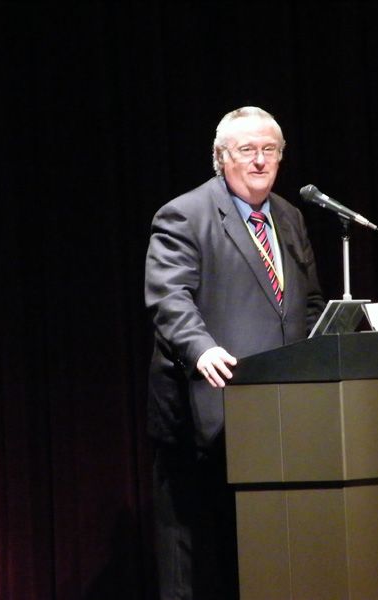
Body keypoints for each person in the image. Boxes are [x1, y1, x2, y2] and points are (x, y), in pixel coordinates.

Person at [144, 106, 325, 599]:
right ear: (221, 157)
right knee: (193, 560)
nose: (260, 161)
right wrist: (200, 349)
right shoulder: (185, 214)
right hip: (204, 409)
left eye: (270, 150)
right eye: (247, 150)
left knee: (261, 553)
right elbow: (169, 298)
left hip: (276, 413)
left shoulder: (289, 217)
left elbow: (306, 303)